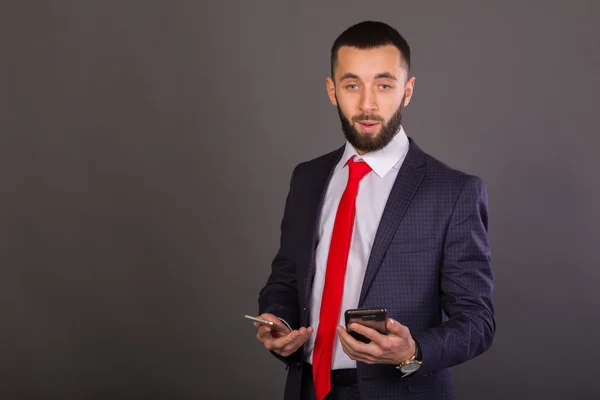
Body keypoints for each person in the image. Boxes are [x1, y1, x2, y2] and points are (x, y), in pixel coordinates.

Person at [254, 20, 495, 400]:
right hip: (308, 389)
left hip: (401, 392)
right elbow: (286, 278)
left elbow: (478, 321)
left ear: (407, 91)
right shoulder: (307, 178)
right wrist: (278, 320)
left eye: (384, 85)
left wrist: (413, 351)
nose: (368, 104)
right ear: (332, 91)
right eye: (352, 85)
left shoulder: (453, 191)